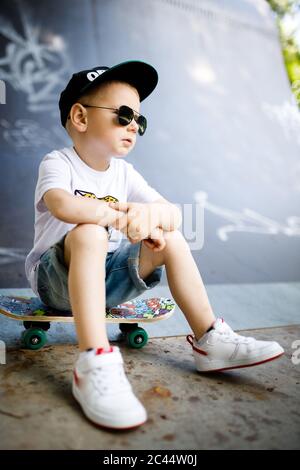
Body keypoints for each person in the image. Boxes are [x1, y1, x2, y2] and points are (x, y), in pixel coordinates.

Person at [25, 60, 284, 430]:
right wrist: (117, 216)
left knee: (171, 238)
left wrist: (149, 219)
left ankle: (211, 339)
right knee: (89, 231)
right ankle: (94, 361)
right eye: (123, 114)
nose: (134, 125)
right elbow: (62, 205)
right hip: (55, 281)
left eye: (139, 121)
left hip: (105, 281)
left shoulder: (125, 173)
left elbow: (172, 214)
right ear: (80, 117)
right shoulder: (59, 162)